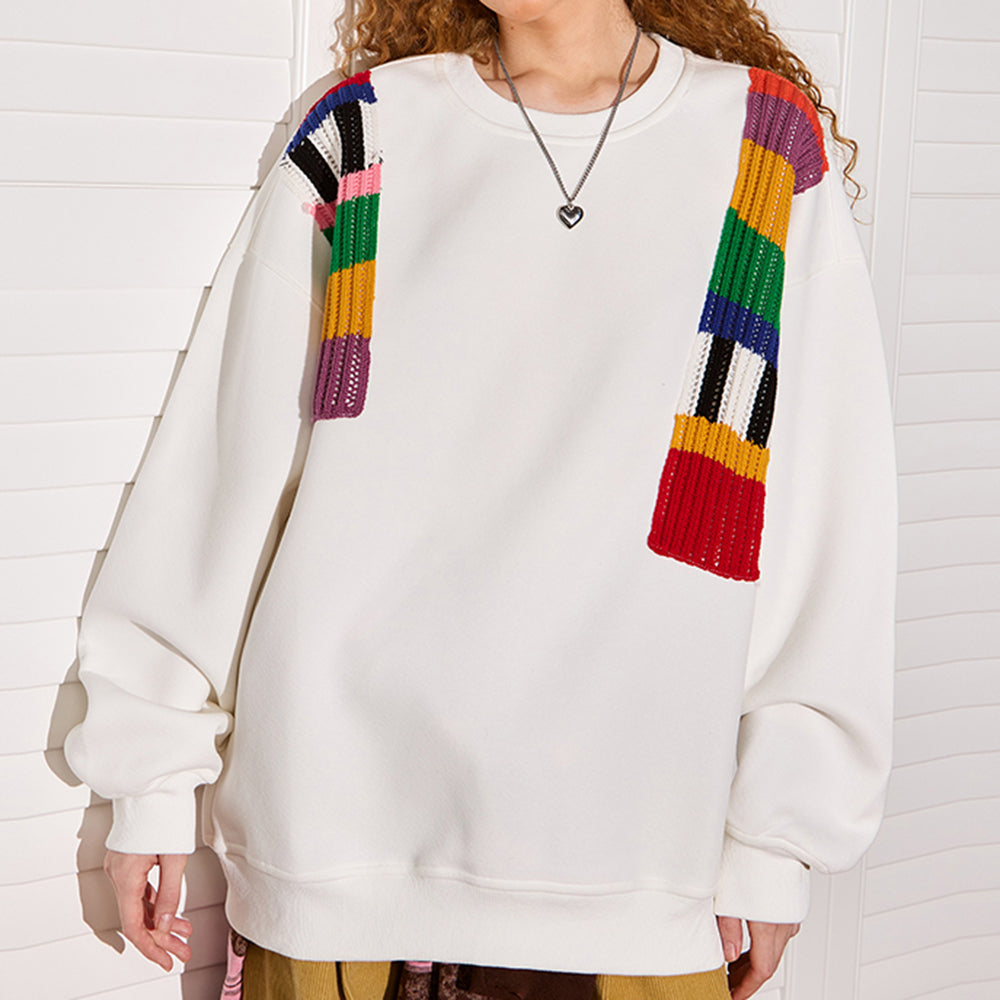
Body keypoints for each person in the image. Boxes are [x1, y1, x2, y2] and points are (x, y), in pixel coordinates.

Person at [63, 2, 899, 999]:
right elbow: (225, 464)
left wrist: (775, 838)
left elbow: (819, 510)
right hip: (338, 852)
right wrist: (151, 779)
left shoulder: (761, 146)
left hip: (632, 871)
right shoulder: (363, 130)